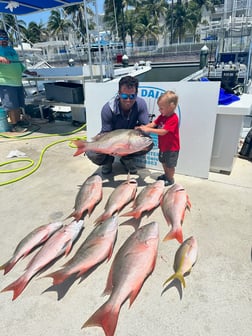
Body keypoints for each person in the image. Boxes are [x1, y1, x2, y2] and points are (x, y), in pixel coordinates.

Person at [86, 75, 150, 174]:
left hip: (130, 138)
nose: (128, 100)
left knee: (148, 143)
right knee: (91, 152)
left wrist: (126, 148)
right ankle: (107, 161)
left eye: (132, 96)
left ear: (136, 94)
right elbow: (106, 133)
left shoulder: (141, 104)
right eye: (124, 96)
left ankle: (126, 159)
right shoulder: (108, 109)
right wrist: (112, 148)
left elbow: (145, 128)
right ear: (119, 93)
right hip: (111, 139)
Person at [136, 90, 180, 186]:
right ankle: (166, 175)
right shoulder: (162, 116)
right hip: (163, 147)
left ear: (171, 107)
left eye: (161, 108)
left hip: (172, 148)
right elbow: (154, 123)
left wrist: (150, 130)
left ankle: (170, 178)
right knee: (163, 162)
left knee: (170, 165)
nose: (159, 110)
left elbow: (164, 132)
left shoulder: (173, 118)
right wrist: (143, 127)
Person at [0, 29, 37, 132]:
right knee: (11, 105)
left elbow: (19, 64)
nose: (4, 40)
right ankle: (14, 125)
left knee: (18, 104)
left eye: (5, 37)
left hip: (17, 82)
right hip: (6, 83)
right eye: (1, 38)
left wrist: (29, 72)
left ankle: (19, 121)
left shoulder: (11, 49)